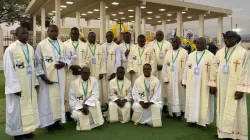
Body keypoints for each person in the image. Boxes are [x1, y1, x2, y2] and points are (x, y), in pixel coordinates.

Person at [208, 31, 250, 140]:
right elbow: (213, 67)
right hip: (222, 86)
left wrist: (241, 89)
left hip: (235, 87)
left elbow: (246, 71)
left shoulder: (243, 52)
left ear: (236, 39)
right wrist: (213, 84)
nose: (228, 40)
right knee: (221, 108)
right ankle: (222, 132)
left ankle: (235, 134)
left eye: (231, 38)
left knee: (236, 110)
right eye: (226, 38)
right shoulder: (220, 52)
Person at [4, 27, 39, 140]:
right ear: (16, 35)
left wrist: (36, 81)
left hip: (29, 84)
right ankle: (18, 134)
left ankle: (28, 130)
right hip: (18, 86)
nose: (25, 35)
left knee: (29, 107)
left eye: (27, 33)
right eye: (22, 33)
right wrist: (15, 88)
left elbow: (32, 67)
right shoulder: (11, 49)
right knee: (18, 110)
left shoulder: (29, 48)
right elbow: (9, 70)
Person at [35, 24, 71, 133]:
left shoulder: (63, 45)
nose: (54, 33)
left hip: (60, 77)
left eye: (56, 31)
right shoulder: (41, 45)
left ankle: (56, 122)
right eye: (51, 31)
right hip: (47, 78)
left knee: (59, 100)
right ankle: (47, 124)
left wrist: (64, 64)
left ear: (58, 32)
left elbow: (68, 58)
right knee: (47, 101)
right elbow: (37, 62)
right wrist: (43, 77)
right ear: (47, 32)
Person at [182, 37, 215, 127]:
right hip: (192, 83)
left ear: (205, 44)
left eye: (202, 43)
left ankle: (204, 121)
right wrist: (184, 81)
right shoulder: (191, 55)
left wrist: (213, 84)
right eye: (198, 43)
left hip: (205, 83)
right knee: (191, 100)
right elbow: (186, 68)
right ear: (195, 44)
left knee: (204, 101)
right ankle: (191, 119)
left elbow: (213, 71)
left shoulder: (210, 56)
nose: (199, 45)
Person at [64, 27, 90, 120]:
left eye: (76, 34)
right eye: (73, 34)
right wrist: (71, 66)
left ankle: (80, 108)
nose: (75, 35)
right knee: (68, 91)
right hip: (69, 72)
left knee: (80, 91)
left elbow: (87, 59)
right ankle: (68, 111)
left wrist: (79, 67)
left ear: (79, 35)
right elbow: (63, 58)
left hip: (80, 73)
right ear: (70, 34)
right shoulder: (65, 45)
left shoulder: (84, 45)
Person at [69, 67, 104, 131]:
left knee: (97, 103)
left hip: (89, 103)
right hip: (79, 105)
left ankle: (93, 124)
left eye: (88, 73)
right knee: (75, 115)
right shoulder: (74, 83)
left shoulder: (94, 81)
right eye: (84, 73)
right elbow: (72, 99)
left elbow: (95, 94)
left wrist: (86, 105)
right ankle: (82, 123)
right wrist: (81, 108)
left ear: (89, 73)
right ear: (81, 73)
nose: (86, 75)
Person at [162, 36, 188, 121]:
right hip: (170, 78)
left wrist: (184, 80)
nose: (175, 43)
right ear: (171, 43)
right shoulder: (168, 53)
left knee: (181, 95)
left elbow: (187, 68)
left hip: (179, 79)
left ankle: (182, 113)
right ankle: (171, 112)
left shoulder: (184, 53)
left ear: (180, 43)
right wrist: (165, 77)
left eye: (176, 42)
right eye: (173, 42)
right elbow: (165, 66)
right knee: (170, 95)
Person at [150, 30, 172, 112]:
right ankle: (156, 102)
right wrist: (155, 66)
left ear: (163, 36)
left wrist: (163, 66)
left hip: (165, 69)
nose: (159, 36)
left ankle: (165, 104)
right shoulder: (151, 44)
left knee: (164, 87)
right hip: (154, 69)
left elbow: (170, 57)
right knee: (155, 86)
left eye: (160, 35)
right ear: (155, 36)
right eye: (157, 35)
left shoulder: (168, 44)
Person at [101, 31, 122, 110]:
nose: (109, 37)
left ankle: (113, 104)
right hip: (104, 70)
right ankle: (106, 104)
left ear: (113, 37)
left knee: (112, 87)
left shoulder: (117, 46)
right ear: (105, 36)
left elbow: (118, 60)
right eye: (107, 36)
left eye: (110, 36)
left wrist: (114, 72)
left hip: (112, 70)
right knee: (105, 87)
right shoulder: (102, 46)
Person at [86, 32, 106, 105]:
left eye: (93, 37)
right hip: (88, 72)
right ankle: (88, 104)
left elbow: (103, 60)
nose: (92, 38)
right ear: (88, 37)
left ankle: (98, 104)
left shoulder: (100, 47)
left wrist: (102, 72)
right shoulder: (85, 47)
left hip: (98, 72)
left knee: (97, 88)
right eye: (91, 36)